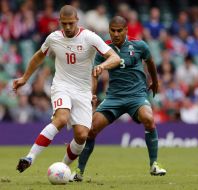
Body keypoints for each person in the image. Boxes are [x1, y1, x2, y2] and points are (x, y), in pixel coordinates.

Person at [14, 5, 121, 173]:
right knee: (61, 118)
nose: (68, 27)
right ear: (60, 22)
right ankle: (30, 157)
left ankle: (63, 168)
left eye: (71, 23)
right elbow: (38, 56)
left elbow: (114, 58)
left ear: (77, 21)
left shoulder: (89, 37)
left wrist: (103, 66)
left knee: (81, 136)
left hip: (83, 91)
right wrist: (25, 78)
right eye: (65, 23)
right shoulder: (53, 38)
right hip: (62, 86)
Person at [70, 16, 167, 182]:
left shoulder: (139, 46)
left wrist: (155, 82)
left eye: (119, 30)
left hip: (136, 96)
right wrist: (92, 93)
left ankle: (154, 164)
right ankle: (79, 172)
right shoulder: (104, 49)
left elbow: (150, 62)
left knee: (149, 119)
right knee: (91, 130)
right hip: (114, 98)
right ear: (109, 31)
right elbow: (95, 73)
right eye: (112, 30)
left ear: (126, 30)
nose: (116, 34)